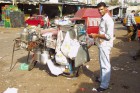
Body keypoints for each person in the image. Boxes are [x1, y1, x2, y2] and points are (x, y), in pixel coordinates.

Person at [89, 2, 114, 92]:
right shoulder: (102, 18)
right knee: (101, 62)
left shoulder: (108, 20)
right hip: (101, 44)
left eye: (101, 9)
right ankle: (101, 79)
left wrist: (96, 35)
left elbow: (108, 36)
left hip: (106, 45)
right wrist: (96, 36)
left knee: (105, 65)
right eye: (99, 10)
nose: (100, 11)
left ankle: (104, 85)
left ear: (106, 9)